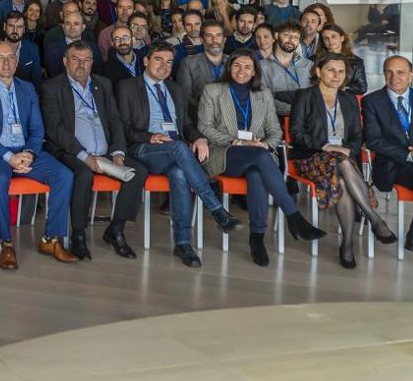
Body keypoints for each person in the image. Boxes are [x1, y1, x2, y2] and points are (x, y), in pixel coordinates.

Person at [115, 43, 241, 267]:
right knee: (179, 148)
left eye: (169, 62)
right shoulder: (127, 87)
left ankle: (183, 243)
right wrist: (148, 137)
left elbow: (186, 125)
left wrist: (199, 137)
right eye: (158, 60)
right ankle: (216, 208)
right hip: (144, 149)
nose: (164, 66)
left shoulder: (176, 89)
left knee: (180, 173)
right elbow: (122, 126)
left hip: (175, 153)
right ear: (146, 61)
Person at [196, 51, 326, 265]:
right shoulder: (213, 90)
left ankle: (257, 238)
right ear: (230, 67)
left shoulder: (263, 93)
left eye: (247, 67)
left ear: (255, 71)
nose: (242, 71)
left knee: (257, 173)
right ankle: (294, 218)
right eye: (237, 65)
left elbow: (274, 129)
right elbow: (205, 126)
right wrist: (237, 142)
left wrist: (265, 144)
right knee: (260, 157)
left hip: (257, 154)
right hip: (223, 153)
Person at [0, 40, 77, 269]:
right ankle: (6, 243)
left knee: (64, 175)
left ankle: (51, 239)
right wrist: (8, 157)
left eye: (11, 57)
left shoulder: (27, 89)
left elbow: (37, 129)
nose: (6, 63)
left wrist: (30, 153)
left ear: (16, 61)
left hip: (24, 150)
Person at [40, 42, 147, 260]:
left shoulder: (103, 84)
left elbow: (115, 121)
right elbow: (55, 129)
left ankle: (115, 229)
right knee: (83, 174)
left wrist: (118, 152)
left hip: (107, 153)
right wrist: (84, 156)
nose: (81, 64)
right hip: (71, 152)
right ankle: (78, 234)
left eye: (87, 59)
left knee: (138, 172)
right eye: (76, 59)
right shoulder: (52, 87)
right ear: (65, 61)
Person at [290, 54, 399, 268]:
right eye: (331, 70)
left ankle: (347, 244)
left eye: (341, 71)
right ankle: (374, 218)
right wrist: (325, 145)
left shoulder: (349, 99)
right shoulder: (305, 96)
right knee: (341, 163)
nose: (336, 75)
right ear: (319, 72)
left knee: (341, 181)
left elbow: (358, 136)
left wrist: (348, 149)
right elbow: (296, 132)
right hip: (311, 157)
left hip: (343, 159)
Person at [362, 55, 413, 252]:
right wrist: (407, 155)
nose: (394, 77)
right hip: (390, 165)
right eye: (389, 72)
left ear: (410, 75)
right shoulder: (372, 101)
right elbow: (374, 140)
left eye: (400, 72)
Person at [176, 21, 228, 121]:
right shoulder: (187, 63)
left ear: (224, 40)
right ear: (202, 40)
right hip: (200, 118)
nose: (214, 40)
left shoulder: (234, 62)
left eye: (218, 35)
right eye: (209, 36)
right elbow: (185, 97)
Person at [261, 22, 313, 117]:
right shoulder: (262, 66)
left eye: (296, 37)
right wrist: (292, 110)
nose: (291, 40)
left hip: (306, 120)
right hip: (275, 119)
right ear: (276, 35)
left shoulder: (309, 65)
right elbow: (262, 99)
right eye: (286, 35)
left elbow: (315, 95)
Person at [315, 23, 367, 96]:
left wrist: (340, 88)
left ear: (342, 38)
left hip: (346, 100)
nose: (330, 40)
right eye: (326, 38)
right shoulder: (315, 60)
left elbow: (362, 88)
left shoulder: (356, 61)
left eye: (333, 36)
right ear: (323, 42)